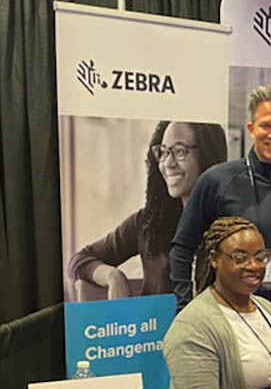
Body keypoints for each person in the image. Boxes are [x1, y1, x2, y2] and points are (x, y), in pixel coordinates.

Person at [170, 84, 271, 357]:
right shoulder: (217, 181)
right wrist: (186, 308)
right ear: (251, 129)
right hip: (228, 325)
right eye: (266, 126)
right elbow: (182, 249)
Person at [163, 217, 271, 389]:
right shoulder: (193, 325)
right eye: (240, 257)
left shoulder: (266, 308)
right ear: (214, 259)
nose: (253, 266)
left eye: (260, 257)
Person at [68, 121, 227, 300]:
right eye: (163, 152)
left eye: (180, 151)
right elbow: (79, 260)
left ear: (207, 154)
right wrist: (113, 276)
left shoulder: (232, 224)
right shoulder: (148, 222)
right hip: (158, 327)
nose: (168, 163)